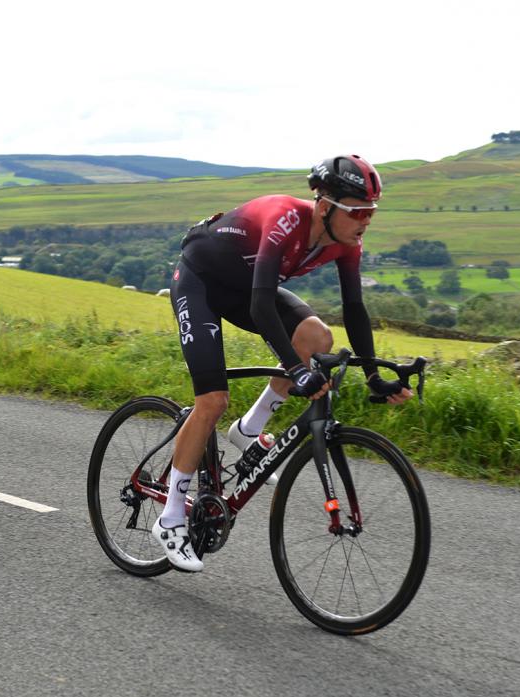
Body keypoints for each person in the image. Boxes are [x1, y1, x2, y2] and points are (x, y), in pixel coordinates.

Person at [154, 154, 412, 571]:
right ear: (326, 207)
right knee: (213, 400)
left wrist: (373, 375)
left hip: (245, 289)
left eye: (372, 212)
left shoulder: (346, 244)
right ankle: (170, 518)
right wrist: (296, 371)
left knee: (317, 337)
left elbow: (354, 308)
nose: (366, 221)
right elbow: (261, 306)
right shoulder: (283, 219)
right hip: (201, 282)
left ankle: (249, 430)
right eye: (359, 212)